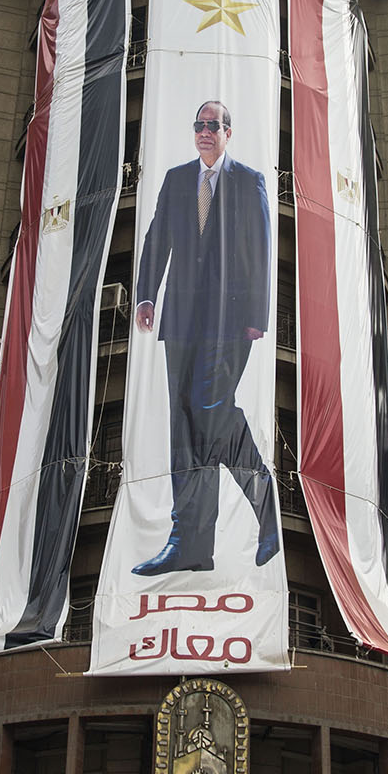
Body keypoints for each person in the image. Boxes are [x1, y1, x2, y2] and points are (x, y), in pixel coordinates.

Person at [132, 100, 281, 575]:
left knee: (212, 413)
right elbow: (158, 238)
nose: (205, 132)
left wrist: (256, 314)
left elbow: (261, 249)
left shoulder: (249, 179)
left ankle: (265, 505)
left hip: (230, 322)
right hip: (180, 321)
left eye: (213, 126)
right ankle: (191, 544)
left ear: (228, 133)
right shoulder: (178, 179)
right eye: (199, 125)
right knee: (186, 427)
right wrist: (145, 295)